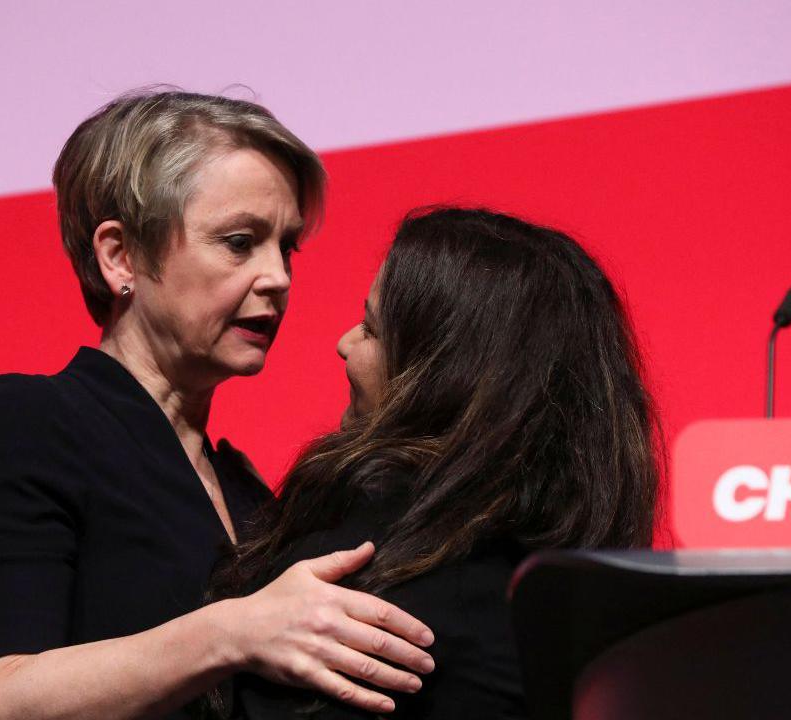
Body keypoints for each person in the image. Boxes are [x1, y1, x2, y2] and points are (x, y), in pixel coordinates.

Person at [0, 90, 436, 720]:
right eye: (240, 241)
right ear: (121, 257)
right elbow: (0, 701)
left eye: (287, 247)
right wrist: (235, 632)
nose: (277, 276)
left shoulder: (248, 493)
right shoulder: (30, 421)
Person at [214, 207, 662, 719]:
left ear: (443, 376)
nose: (344, 345)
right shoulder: (565, 598)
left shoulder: (367, 550)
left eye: (371, 328)